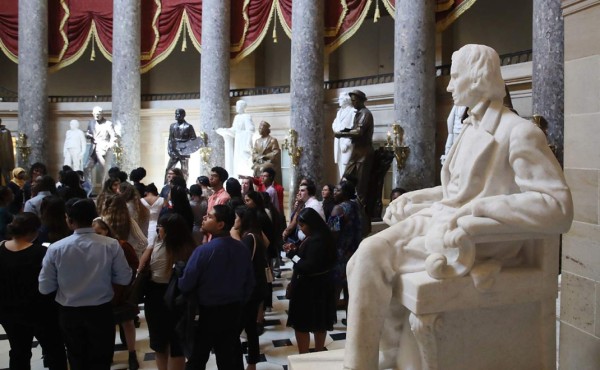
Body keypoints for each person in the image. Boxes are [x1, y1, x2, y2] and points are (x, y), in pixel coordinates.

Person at [342, 44, 574, 370]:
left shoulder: (519, 133)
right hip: (443, 220)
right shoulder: (468, 127)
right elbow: (456, 191)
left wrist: (480, 211)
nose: (449, 86)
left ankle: (360, 365)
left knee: (370, 256)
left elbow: (557, 207)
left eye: (455, 77)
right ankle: (384, 357)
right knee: (365, 254)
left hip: (478, 239)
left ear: (477, 78)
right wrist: (414, 197)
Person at [39, 198, 132, 370]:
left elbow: (45, 287)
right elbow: (124, 278)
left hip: (69, 312)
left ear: (69, 219)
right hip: (101, 311)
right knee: (102, 360)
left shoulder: (56, 248)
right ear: (93, 219)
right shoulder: (111, 245)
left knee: (76, 359)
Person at [178, 205, 254, 370]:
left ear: (220, 224)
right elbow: (250, 284)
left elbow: (185, 284)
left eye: (210, 216)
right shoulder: (241, 248)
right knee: (229, 358)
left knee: (198, 357)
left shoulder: (203, 251)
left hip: (208, 313)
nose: (204, 218)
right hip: (234, 311)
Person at [0, 213, 68, 370]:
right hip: (42, 311)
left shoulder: (1, 249)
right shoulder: (41, 253)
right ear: (33, 231)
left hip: (9, 312)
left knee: (18, 351)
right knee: (54, 350)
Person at [139, 213, 195, 370]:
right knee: (176, 343)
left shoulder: (158, 248)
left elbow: (142, 267)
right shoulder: (190, 248)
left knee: (159, 343)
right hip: (180, 297)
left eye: (160, 227)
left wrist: (151, 246)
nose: (158, 230)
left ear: (168, 230)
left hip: (156, 296)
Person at [284, 207, 337, 354]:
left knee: (302, 325)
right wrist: (297, 250)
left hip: (309, 288)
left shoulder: (317, 240)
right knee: (320, 322)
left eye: (302, 225)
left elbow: (306, 266)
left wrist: (292, 254)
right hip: (322, 285)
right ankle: (319, 353)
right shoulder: (323, 236)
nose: (301, 229)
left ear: (312, 223)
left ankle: (304, 356)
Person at [91, 218, 140, 370]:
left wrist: (126, 281)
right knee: (107, 325)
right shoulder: (93, 247)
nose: (97, 236)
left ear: (106, 230)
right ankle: (108, 353)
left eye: (99, 232)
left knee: (128, 322)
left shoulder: (121, 245)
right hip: (103, 291)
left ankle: (132, 353)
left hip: (122, 291)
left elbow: (134, 264)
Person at [231, 206, 269, 370]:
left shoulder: (249, 237)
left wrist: (234, 237)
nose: (234, 221)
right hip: (257, 287)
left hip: (250, 290)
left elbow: (243, 259)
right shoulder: (255, 234)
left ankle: (240, 363)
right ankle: (252, 364)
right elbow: (267, 243)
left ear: (243, 219)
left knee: (236, 329)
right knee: (251, 328)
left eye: (236, 218)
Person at [334, 90, 374, 206]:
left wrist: (342, 134)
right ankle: (344, 203)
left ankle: (361, 209)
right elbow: (353, 129)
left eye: (355, 101)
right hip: (356, 151)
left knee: (361, 184)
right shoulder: (358, 113)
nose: (353, 103)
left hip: (364, 152)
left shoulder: (365, 113)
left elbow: (358, 132)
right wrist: (344, 131)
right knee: (345, 179)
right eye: (352, 101)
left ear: (361, 101)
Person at [328, 181, 362, 316]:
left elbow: (333, 233)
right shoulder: (356, 206)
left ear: (346, 192)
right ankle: (350, 319)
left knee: (335, 286)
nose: (334, 193)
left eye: (337, 190)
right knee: (350, 287)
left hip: (340, 253)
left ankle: (330, 318)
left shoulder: (338, 209)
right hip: (355, 251)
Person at [217, 100, 255, 177]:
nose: (237, 108)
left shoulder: (247, 116)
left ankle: (244, 176)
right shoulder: (236, 117)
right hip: (238, 140)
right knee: (237, 159)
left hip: (243, 141)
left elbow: (251, 129)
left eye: (238, 106)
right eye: (237, 106)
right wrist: (226, 130)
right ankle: (236, 175)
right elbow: (234, 129)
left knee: (243, 159)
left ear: (243, 107)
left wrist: (245, 138)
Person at [84, 106, 118, 182]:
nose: (97, 115)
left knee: (104, 172)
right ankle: (88, 187)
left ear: (102, 114)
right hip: (93, 149)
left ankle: (105, 190)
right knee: (86, 168)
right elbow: (88, 132)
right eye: (95, 114)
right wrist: (88, 135)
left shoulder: (108, 124)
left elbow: (114, 136)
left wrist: (109, 145)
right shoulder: (91, 122)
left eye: (98, 114)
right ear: (92, 114)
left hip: (103, 149)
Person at [165, 108, 197, 181]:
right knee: (169, 168)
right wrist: (169, 150)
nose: (176, 115)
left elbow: (193, 139)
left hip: (184, 151)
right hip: (174, 150)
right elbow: (170, 139)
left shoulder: (188, 126)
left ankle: (183, 186)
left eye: (178, 114)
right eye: (175, 113)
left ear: (183, 115)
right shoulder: (172, 126)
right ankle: (166, 185)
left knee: (184, 171)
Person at [331, 92, 356, 179]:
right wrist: (337, 129)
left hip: (346, 143)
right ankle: (342, 187)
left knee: (347, 167)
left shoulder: (353, 111)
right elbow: (334, 123)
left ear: (346, 100)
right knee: (341, 168)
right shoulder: (339, 112)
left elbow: (353, 128)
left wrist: (346, 143)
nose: (339, 101)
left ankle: (346, 188)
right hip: (338, 142)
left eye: (340, 99)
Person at [142, 183, 165, 248]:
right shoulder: (162, 200)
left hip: (145, 225)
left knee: (145, 246)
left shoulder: (141, 200)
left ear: (147, 191)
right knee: (154, 246)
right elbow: (165, 212)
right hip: (157, 225)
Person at [0, 118, 15, 187]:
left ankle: (9, 191)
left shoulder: (6, 132)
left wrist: (11, 163)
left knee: (7, 179)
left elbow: (10, 147)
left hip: (5, 159)